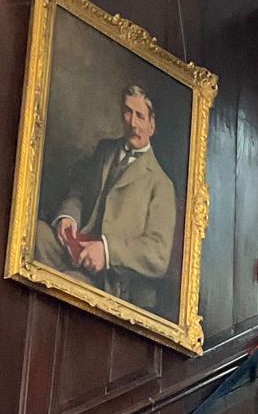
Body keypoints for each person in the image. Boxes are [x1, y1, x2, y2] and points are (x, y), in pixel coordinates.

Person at [34, 82, 178, 313]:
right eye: (128, 112)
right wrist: (68, 216)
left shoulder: (161, 185)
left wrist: (107, 252)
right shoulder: (105, 150)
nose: (132, 123)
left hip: (112, 278)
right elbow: (79, 191)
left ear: (152, 125)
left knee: (64, 286)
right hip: (76, 248)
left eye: (140, 116)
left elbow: (158, 254)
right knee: (34, 234)